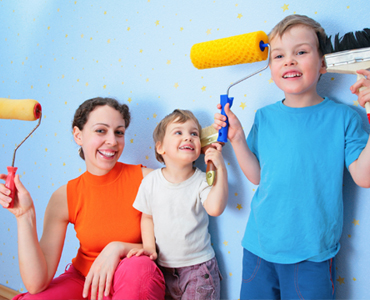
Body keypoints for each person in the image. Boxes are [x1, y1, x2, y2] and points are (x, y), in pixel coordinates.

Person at [213, 14, 370, 299]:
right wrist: (236, 139)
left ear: (323, 63)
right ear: (270, 67)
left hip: (312, 256)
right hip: (259, 249)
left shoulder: (343, 118)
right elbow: (258, 176)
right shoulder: (265, 116)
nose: (289, 61)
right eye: (279, 56)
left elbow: (364, 176)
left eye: (301, 52)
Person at [0, 97, 165, 300]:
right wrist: (24, 215)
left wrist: (118, 248)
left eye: (119, 132)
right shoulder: (65, 196)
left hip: (133, 282)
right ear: (78, 135)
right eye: (101, 130)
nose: (112, 141)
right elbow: (36, 284)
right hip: (85, 283)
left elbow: (170, 247)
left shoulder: (147, 180)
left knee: (140, 267)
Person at [127, 109, 228, 299]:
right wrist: (149, 247)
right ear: (160, 148)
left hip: (199, 270)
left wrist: (220, 168)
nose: (188, 138)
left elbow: (215, 208)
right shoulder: (151, 182)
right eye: (178, 132)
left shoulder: (201, 181)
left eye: (194, 134)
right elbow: (147, 217)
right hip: (163, 269)